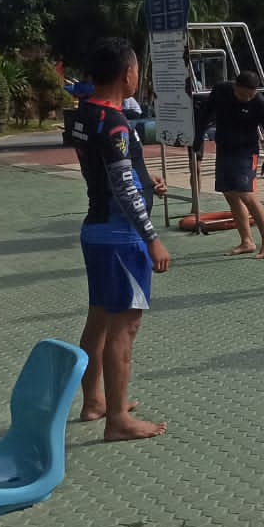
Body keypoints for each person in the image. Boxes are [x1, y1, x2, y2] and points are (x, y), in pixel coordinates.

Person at [70, 37, 171, 442]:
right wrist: (152, 238)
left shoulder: (84, 115)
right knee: (124, 329)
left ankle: (95, 401)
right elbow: (124, 187)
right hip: (120, 236)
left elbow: (111, 173)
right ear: (128, 73)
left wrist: (147, 180)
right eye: (136, 69)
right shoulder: (114, 123)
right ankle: (117, 419)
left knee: (98, 320)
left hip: (96, 229)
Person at [193, 71, 264, 259]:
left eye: (249, 96)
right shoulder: (221, 90)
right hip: (224, 148)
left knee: (246, 194)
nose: (245, 99)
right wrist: (198, 140)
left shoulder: (261, 104)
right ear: (235, 86)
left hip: (246, 152)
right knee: (230, 194)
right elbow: (204, 114)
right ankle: (246, 241)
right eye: (241, 94)